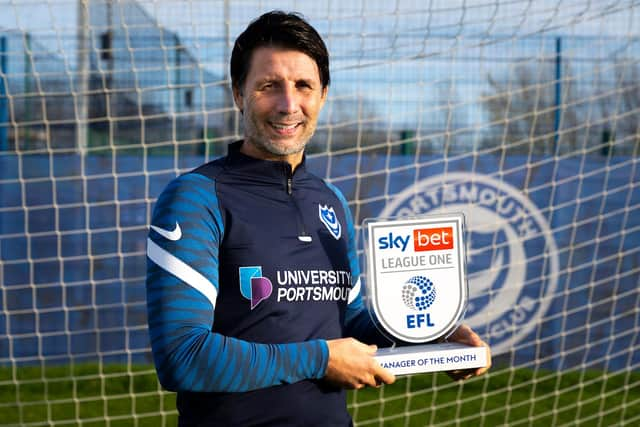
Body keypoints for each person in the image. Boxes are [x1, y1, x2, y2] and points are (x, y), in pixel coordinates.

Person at [146, 10, 491, 426]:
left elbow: (351, 320)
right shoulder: (196, 198)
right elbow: (183, 357)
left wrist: (434, 338)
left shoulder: (331, 201)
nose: (288, 105)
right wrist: (322, 358)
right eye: (269, 86)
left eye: (303, 86)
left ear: (323, 95)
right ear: (239, 93)